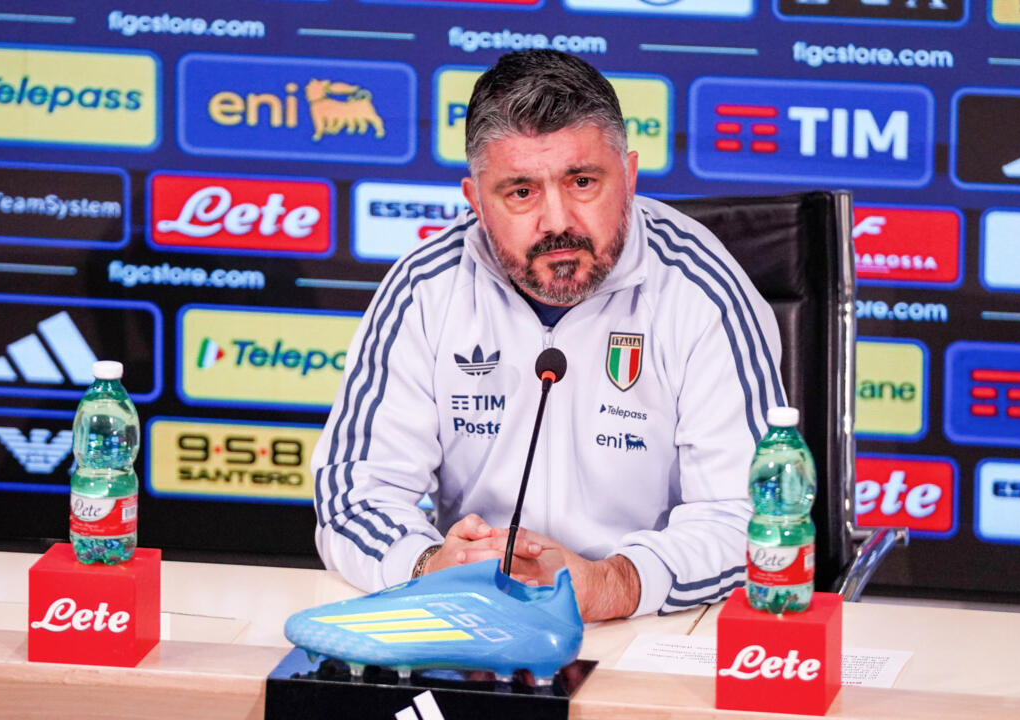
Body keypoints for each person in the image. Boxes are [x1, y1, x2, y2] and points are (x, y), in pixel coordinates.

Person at [312, 49, 785, 621]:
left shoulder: (700, 289)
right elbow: (355, 495)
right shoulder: (426, 288)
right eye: (521, 192)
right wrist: (428, 565)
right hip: (478, 618)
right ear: (476, 201)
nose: (557, 221)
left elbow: (753, 517)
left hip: (656, 626)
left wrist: (615, 583)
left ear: (629, 176)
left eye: (582, 181)